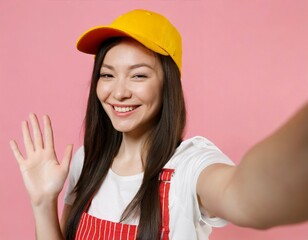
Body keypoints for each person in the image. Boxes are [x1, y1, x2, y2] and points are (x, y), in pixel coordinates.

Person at [10, 9, 308, 240]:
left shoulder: (188, 167)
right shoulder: (86, 162)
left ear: (168, 85)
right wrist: (42, 202)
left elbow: (246, 196)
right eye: (107, 74)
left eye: (138, 75)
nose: (118, 92)